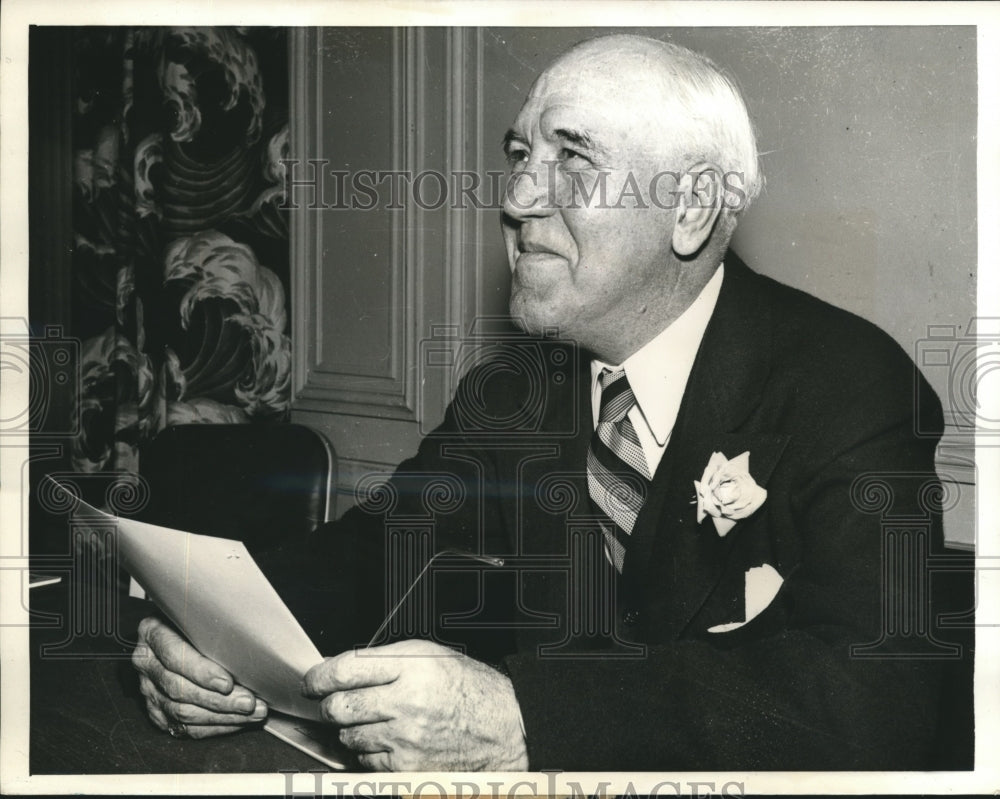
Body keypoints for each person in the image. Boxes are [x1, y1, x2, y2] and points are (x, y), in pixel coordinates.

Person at [132, 34, 971, 771]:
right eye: (521, 155)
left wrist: (531, 717)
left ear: (691, 208)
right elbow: (383, 546)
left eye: (572, 159)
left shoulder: (847, 382)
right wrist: (216, 637)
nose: (518, 197)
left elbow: (878, 699)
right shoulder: (516, 392)